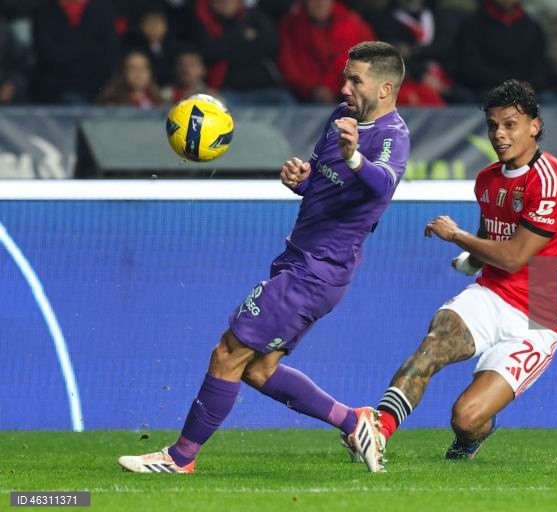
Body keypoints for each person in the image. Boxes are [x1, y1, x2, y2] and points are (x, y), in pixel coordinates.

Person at [118, 41, 410, 474]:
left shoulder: (393, 137)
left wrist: (353, 156)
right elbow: (321, 178)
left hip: (317, 270)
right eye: (344, 76)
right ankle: (355, 422)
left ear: (385, 88)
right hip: (300, 260)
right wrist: (303, 180)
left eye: (355, 79)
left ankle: (180, 458)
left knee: (228, 352)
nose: (343, 86)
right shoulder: (340, 118)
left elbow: (382, 185)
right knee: (258, 369)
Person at [353, 79, 557, 473]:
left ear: (534, 125)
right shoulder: (488, 180)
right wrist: (468, 261)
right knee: (436, 342)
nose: (499, 134)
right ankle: (378, 430)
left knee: (467, 417)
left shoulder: (553, 183)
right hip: (492, 295)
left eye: (510, 124)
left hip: (540, 319)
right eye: (493, 125)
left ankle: (468, 442)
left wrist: (455, 235)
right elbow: (491, 237)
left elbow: (512, 256)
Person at [277, 0, 375, 104]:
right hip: (306, 96)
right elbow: (289, 67)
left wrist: (330, 86)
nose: (320, 3)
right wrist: (313, 89)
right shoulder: (292, 27)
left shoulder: (352, 23)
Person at [96, 50, 164, 108]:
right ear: (124, 72)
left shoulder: (157, 99)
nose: (138, 73)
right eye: (133, 68)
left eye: (143, 68)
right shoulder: (112, 102)